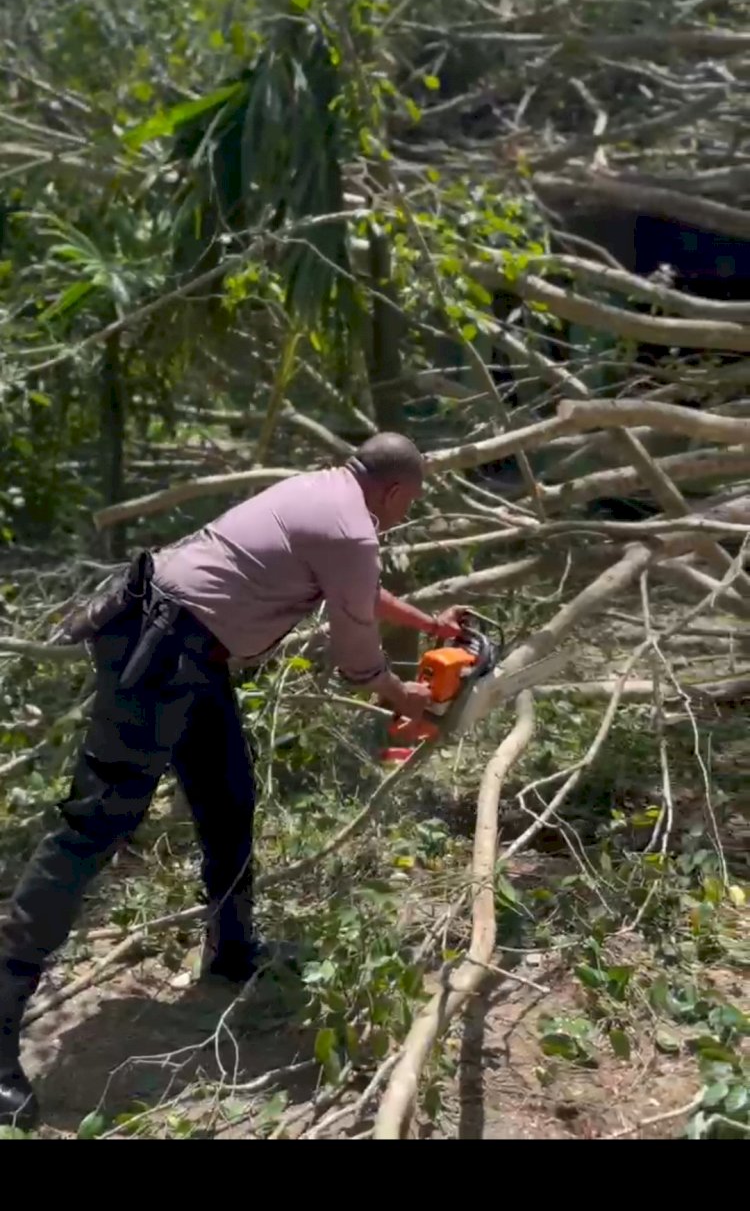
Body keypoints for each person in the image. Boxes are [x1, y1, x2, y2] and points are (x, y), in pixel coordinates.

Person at [0, 432, 469, 1128]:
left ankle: (231, 949)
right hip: (160, 649)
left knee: (227, 797)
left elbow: (359, 591)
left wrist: (426, 622)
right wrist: (408, 699)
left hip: (183, 641)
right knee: (94, 828)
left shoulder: (323, 490)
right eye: (411, 504)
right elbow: (355, 654)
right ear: (397, 491)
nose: (404, 515)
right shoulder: (351, 525)